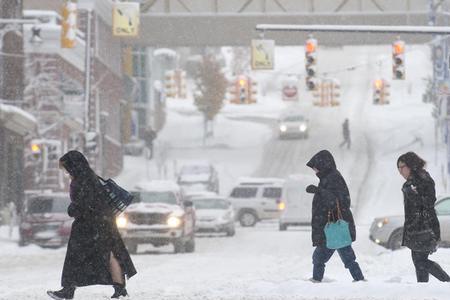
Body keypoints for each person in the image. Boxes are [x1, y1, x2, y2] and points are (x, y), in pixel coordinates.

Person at [47, 150, 137, 300]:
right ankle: (119, 289)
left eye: (66, 168)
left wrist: (72, 209)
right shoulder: (90, 178)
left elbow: (84, 203)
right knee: (110, 253)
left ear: (73, 165)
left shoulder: (82, 181)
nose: (66, 171)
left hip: (90, 225)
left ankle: (68, 290)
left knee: (76, 257)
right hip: (102, 223)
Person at [306, 150, 365, 282]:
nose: (315, 170)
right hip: (332, 227)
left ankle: (316, 280)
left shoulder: (333, 178)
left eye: (316, 167)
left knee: (320, 258)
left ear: (323, 165)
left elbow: (337, 200)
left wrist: (318, 190)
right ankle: (359, 280)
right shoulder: (328, 177)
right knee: (346, 257)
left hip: (333, 226)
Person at [397, 152, 450, 282]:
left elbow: (428, 203)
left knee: (420, 262)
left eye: (402, 166)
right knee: (419, 262)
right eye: (398, 168)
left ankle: (446, 281)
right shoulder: (412, 182)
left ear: (410, 165)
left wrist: (412, 193)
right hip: (416, 228)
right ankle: (423, 288)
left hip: (423, 227)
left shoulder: (422, 179)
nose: (400, 171)